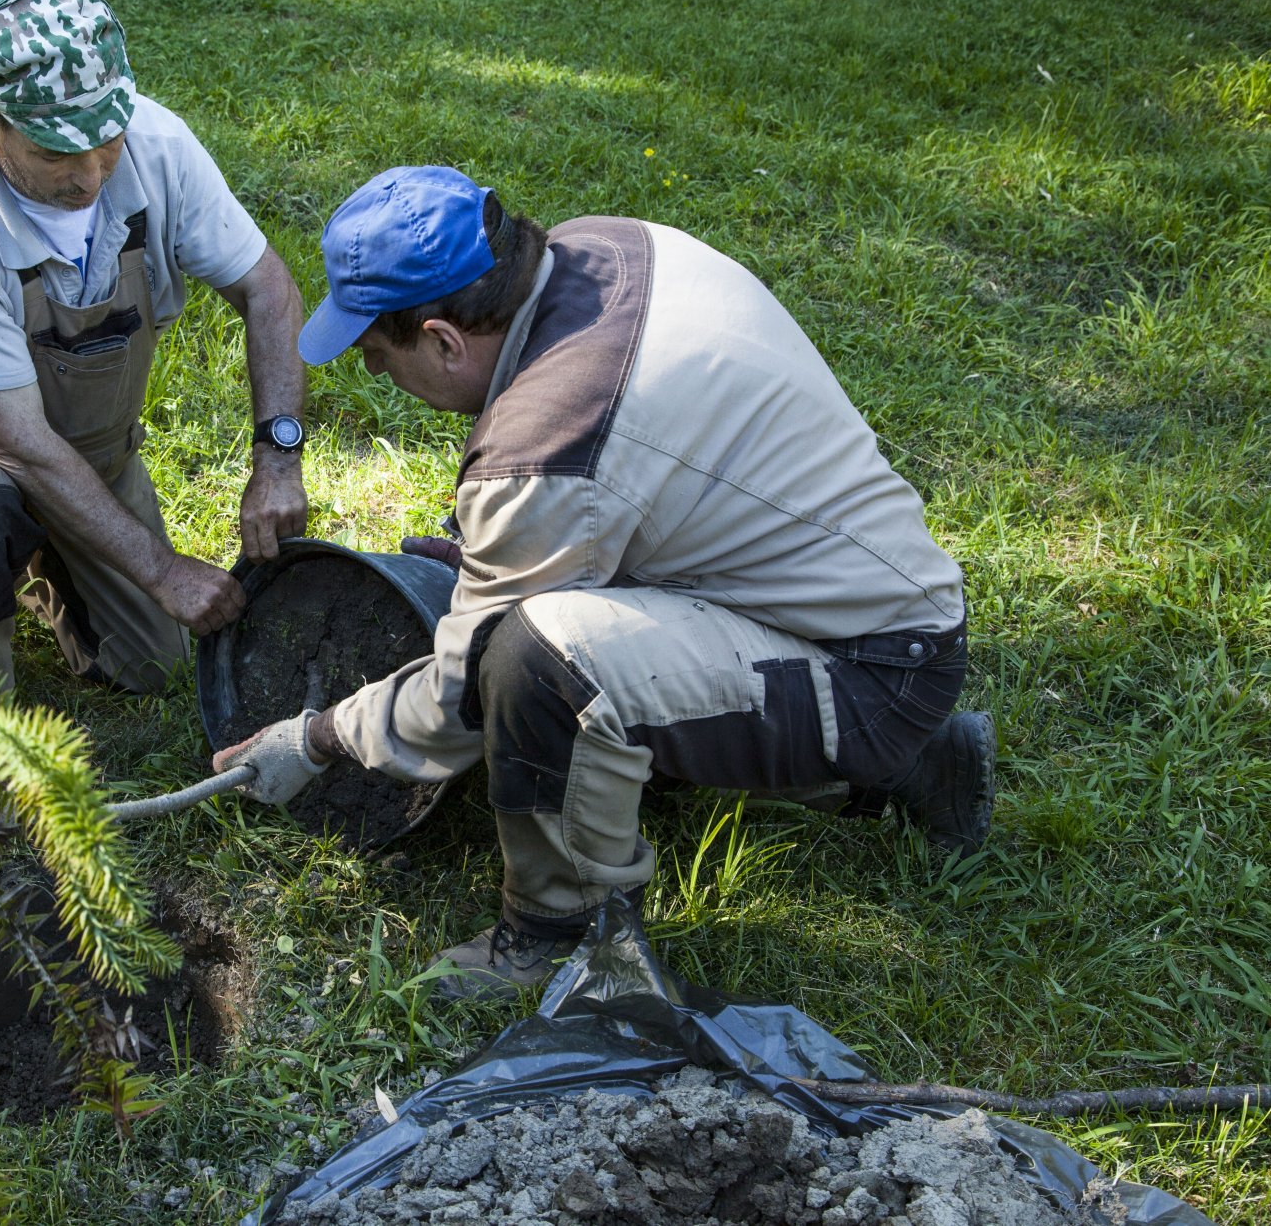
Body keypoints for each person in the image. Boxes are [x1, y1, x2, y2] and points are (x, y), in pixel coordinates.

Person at [214, 166, 996, 997]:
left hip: (872, 671)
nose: (375, 376)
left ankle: (563, 937)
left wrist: (316, 738)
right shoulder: (605, 247)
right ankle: (918, 766)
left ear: (444, 339)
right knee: (549, 638)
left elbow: (454, 707)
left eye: (377, 354)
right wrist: (508, 558)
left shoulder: (549, 446)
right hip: (864, 608)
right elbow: (636, 486)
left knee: (531, 664)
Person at [0, 0, 309, 693]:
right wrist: (161, 568)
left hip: (91, 439)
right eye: (54, 151)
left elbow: (268, 289)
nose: (91, 173)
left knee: (159, 665)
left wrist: (278, 456)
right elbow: (14, 441)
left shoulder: (160, 147)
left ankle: (48, 552)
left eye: (105, 139)